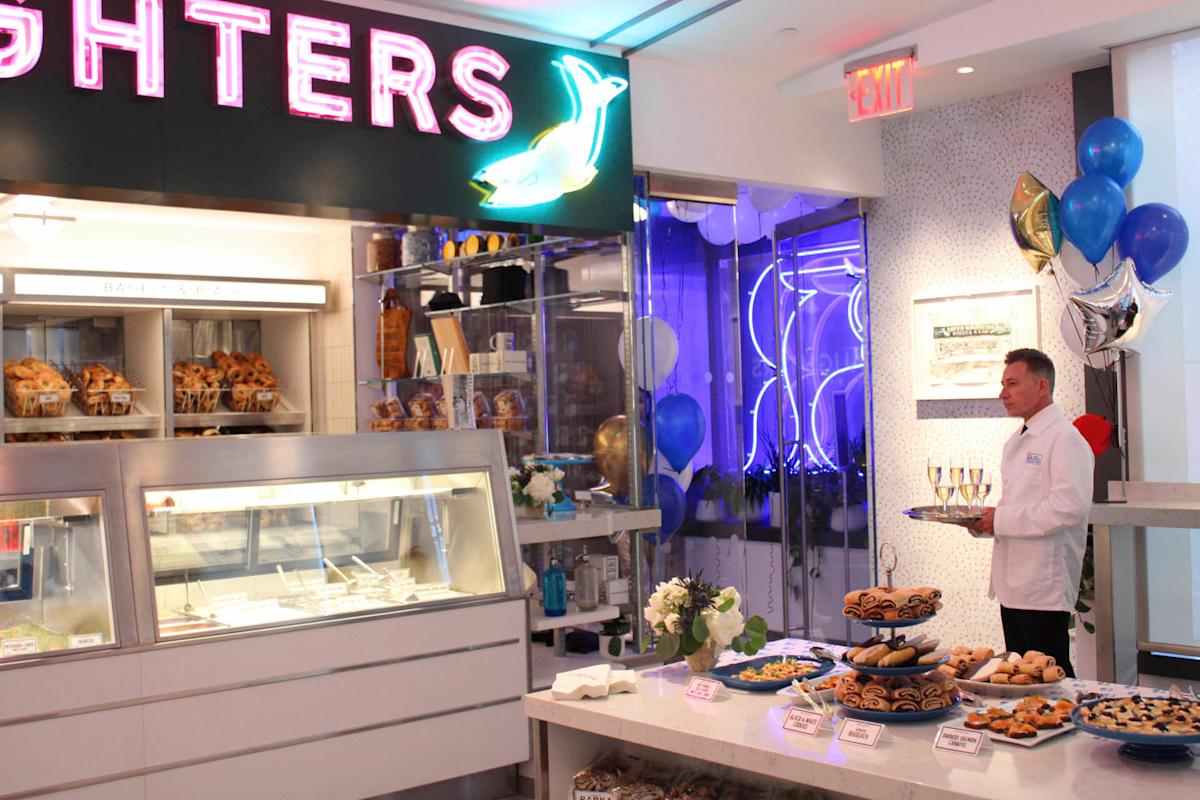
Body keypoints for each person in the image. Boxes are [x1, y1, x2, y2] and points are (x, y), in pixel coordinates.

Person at [967, 348, 1093, 676]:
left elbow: (1068, 509)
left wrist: (1001, 519)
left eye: (1012, 384)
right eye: (1003, 384)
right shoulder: (1019, 439)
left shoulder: (1065, 439)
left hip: (1042, 586)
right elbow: (1022, 504)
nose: (1003, 393)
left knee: (1049, 675)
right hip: (1013, 584)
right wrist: (985, 522)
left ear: (1041, 387)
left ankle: (1073, 723)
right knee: (1021, 676)